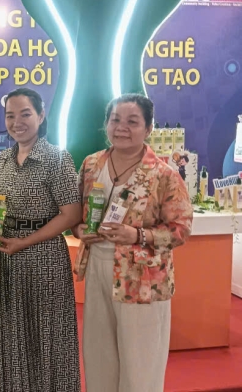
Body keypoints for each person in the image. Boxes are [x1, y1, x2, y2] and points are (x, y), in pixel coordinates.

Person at [73, 94, 193, 392]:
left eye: (132, 121)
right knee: (99, 356)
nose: (121, 127)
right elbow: (76, 213)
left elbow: (181, 229)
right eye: (115, 120)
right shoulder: (91, 164)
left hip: (142, 279)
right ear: (106, 124)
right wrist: (78, 229)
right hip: (98, 268)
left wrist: (138, 236)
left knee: (141, 364)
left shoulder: (164, 174)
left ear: (148, 128)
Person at [0, 87, 83, 392]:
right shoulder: (3, 160)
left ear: (40, 115)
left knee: (47, 332)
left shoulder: (56, 158)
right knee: (14, 330)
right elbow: (2, 205)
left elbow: (71, 214)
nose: (17, 122)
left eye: (25, 114)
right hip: (10, 257)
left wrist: (25, 242)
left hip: (44, 258)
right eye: (10, 116)